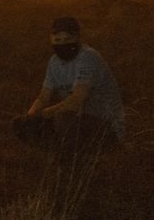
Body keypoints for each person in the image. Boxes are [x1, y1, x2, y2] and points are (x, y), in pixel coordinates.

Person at [13, 16, 124, 154]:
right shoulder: (54, 62)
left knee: (63, 118)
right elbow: (43, 97)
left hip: (105, 125)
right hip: (77, 121)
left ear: (77, 38)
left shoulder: (88, 57)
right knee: (21, 124)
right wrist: (30, 117)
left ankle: (77, 158)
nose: (62, 44)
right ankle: (57, 155)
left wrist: (48, 112)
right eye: (58, 40)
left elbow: (77, 100)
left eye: (67, 39)